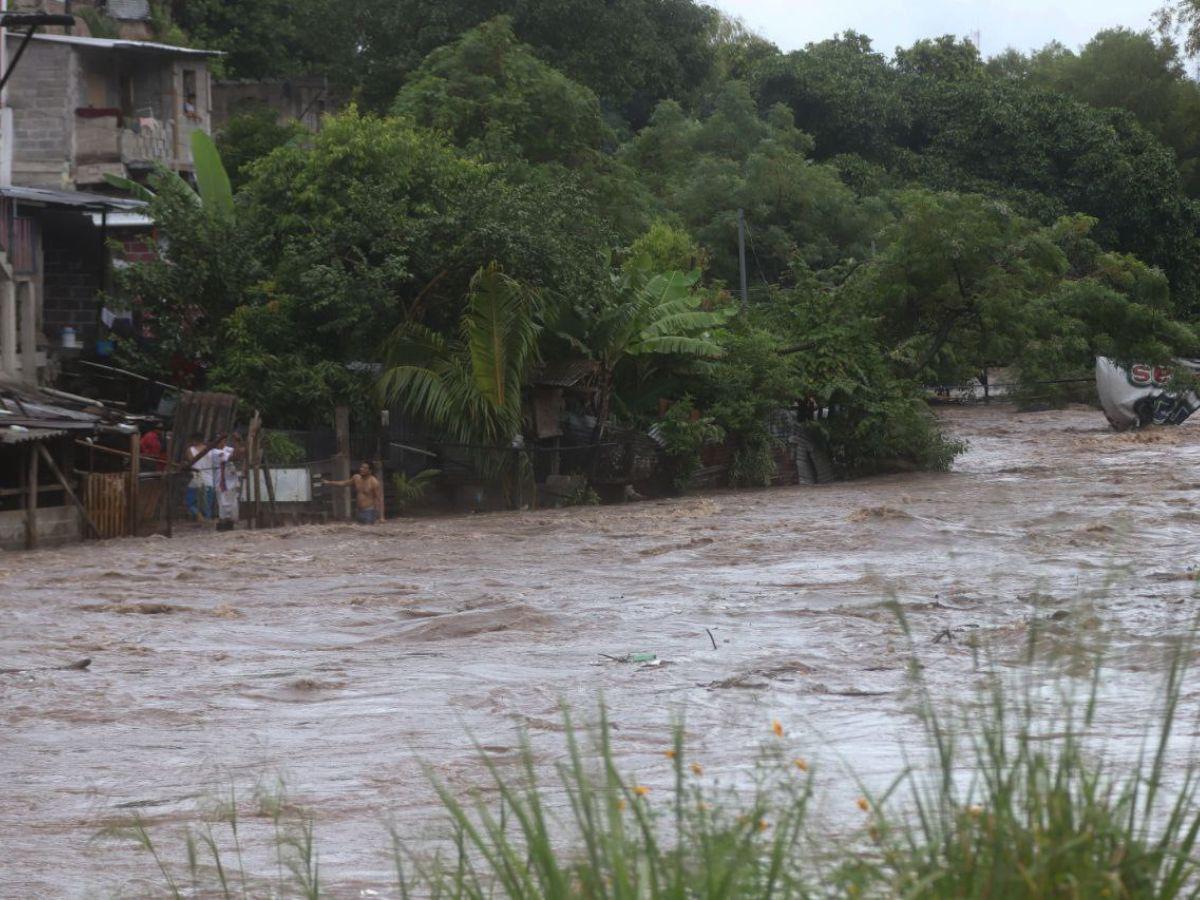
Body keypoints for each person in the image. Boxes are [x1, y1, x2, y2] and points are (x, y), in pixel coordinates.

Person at [184, 431, 219, 521]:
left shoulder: (190, 450)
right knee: (207, 505)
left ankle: (198, 514)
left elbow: (191, 462)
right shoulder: (211, 450)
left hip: (197, 479)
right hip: (210, 480)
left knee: (189, 502)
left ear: (194, 440)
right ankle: (206, 522)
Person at [213, 433, 244, 529]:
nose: (223, 442)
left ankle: (230, 522)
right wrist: (237, 443)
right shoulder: (214, 452)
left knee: (232, 502)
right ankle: (223, 522)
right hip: (221, 481)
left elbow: (240, 452)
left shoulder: (227, 449)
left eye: (224, 440)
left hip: (231, 480)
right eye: (220, 440)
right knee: (223, 502)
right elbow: (234, 457)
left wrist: (239, 442)